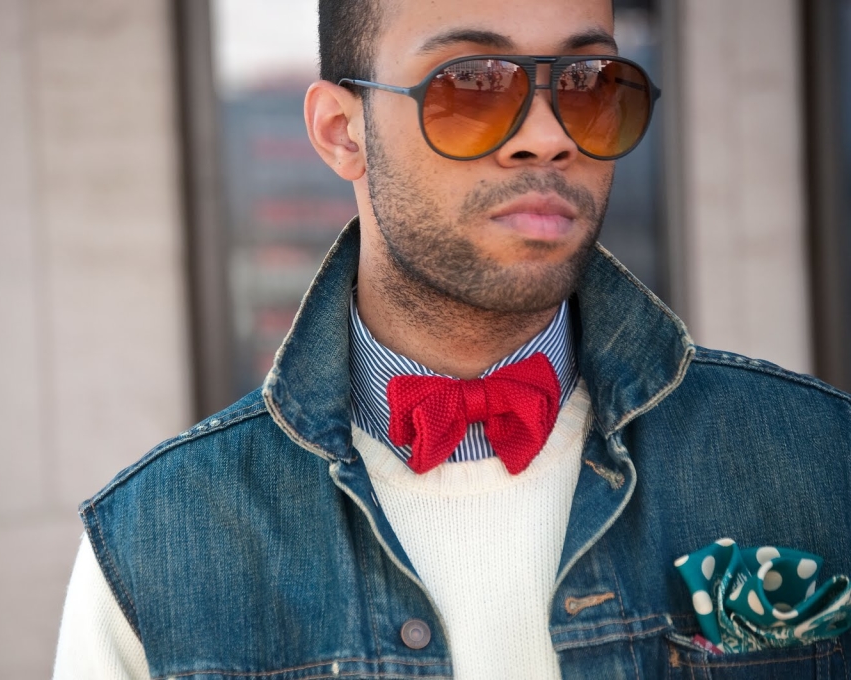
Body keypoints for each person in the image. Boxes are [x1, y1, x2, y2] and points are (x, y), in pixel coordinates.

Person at [52, 0, 851, 677]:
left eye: (587, 83)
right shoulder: (154, 549)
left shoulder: (821, 460)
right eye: (469, 83)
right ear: (341, 132)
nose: (548, 137)